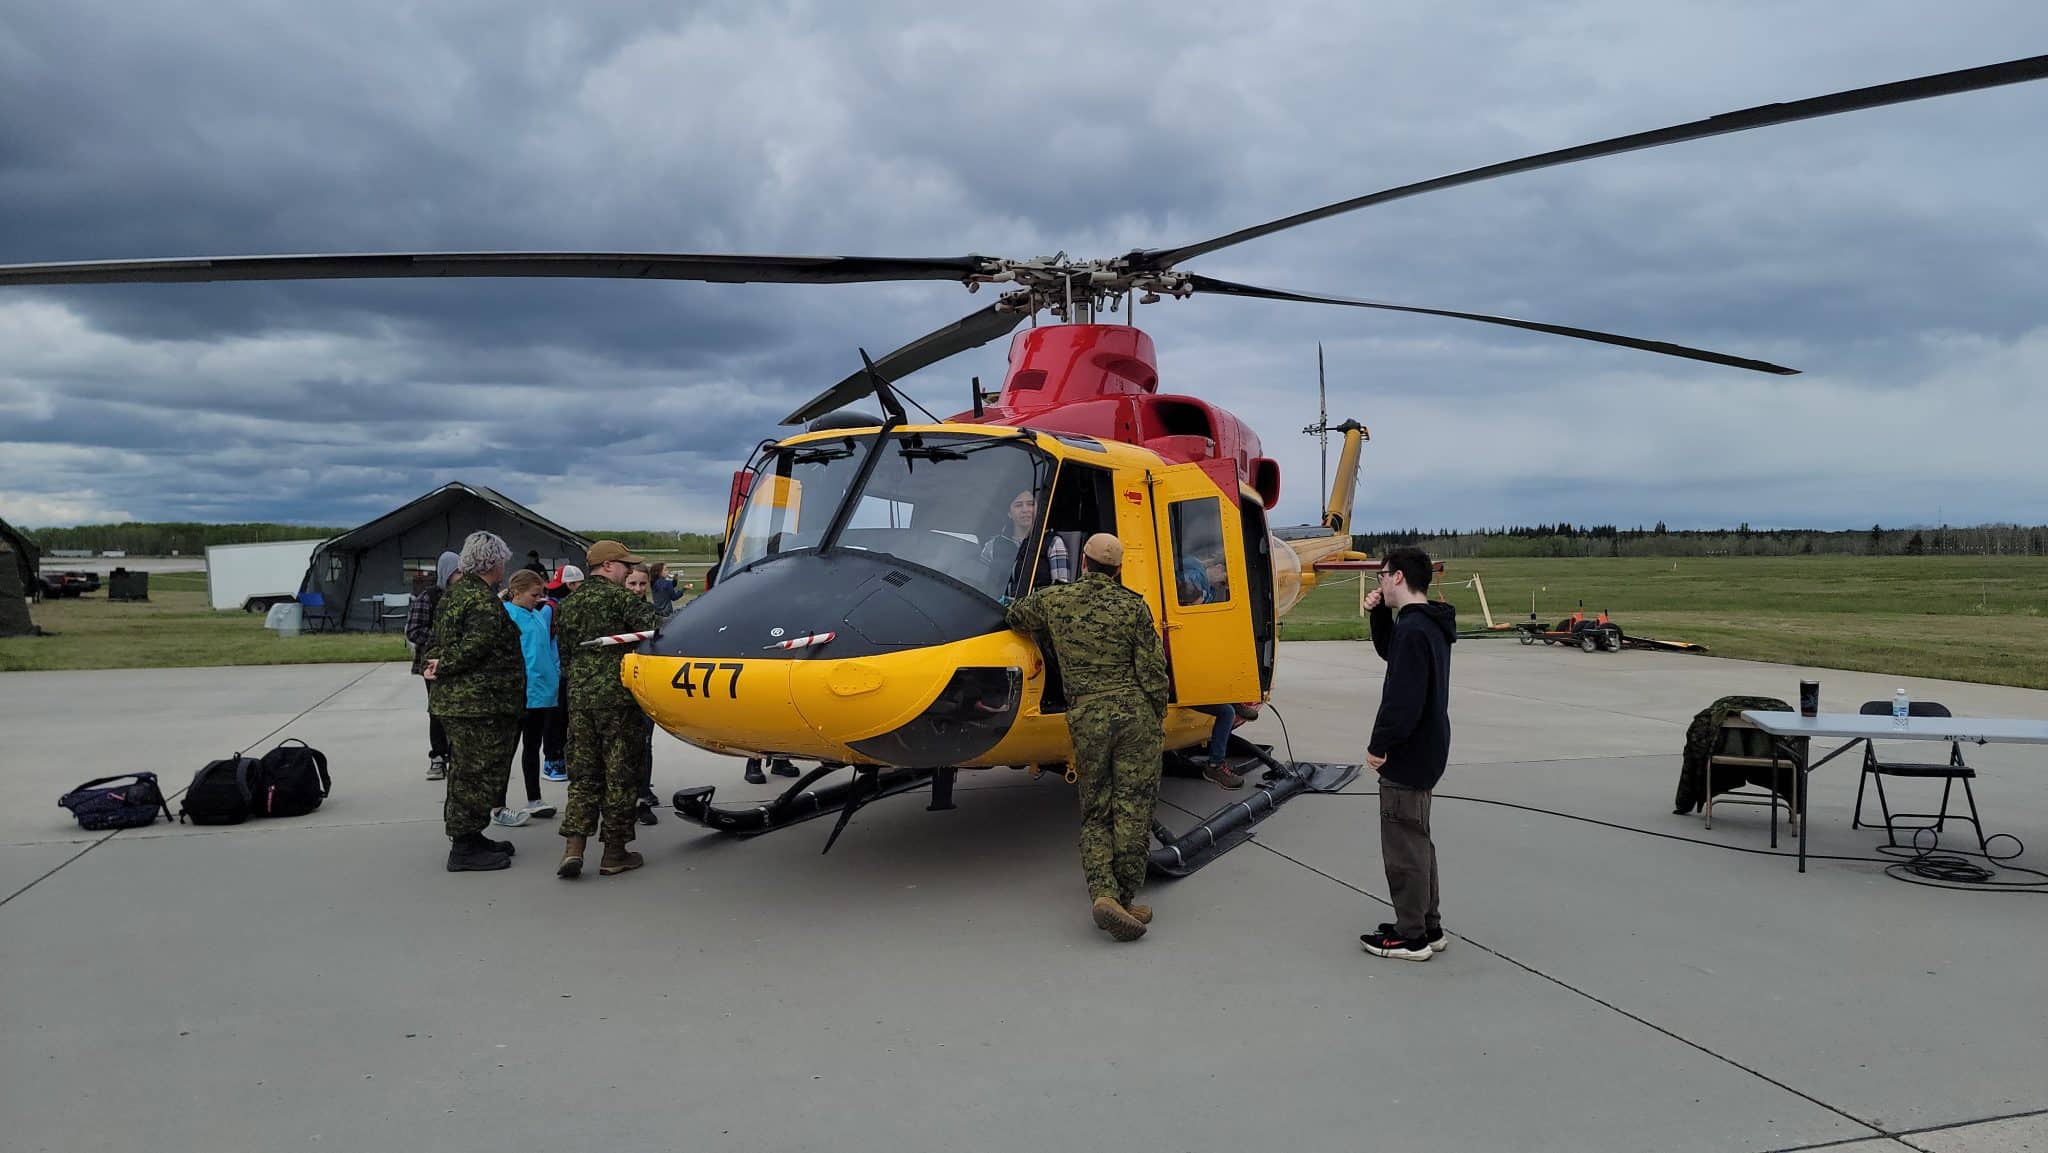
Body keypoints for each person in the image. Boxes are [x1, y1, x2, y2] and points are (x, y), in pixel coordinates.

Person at [1005, 532, 1169, 943]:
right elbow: (1153, 671)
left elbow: (1015, 616)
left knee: (1097, 810)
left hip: (1088, 717)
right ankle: (1123, 896)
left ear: (1083, 564)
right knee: (1134, 808)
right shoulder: (1133, 606)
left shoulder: (1055, 601)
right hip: (1134, 715)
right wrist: (1156, 716)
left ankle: (1106, 895)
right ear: (1118, 570)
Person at [1357, 547, 1457, 962]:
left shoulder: (1415, 630)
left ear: (1397, 576)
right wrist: (1379, 613)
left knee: (1403, 847)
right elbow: (1391, 653)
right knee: (1417, 840)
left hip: (1410, 750)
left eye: (1382, 575)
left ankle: (1411, 936)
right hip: (1428, 746)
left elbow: (1402, 699)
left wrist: (1379, 744)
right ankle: (1429, 925)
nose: (1379, 581)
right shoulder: (1423, 623)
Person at [554, 540, 660, 878]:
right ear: (609, 565)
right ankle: (614, 852)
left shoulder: (568, 604)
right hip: (618, 699)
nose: (629, 571)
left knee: (583, 775)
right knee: (620, 776)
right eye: (625, 565)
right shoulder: (620, 599)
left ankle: (573, 848)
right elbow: (658, 628)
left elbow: (565, 655)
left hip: (580, 700)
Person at [425, 531, 527, 872]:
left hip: (464, 703)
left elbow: (436, 639)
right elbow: (475, 647)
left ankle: (471, 835)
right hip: (479, 705)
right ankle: (464, 846)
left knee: (467, 771)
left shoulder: (455, 594)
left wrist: (434, 662)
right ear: (493, 562)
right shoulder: (481, 600)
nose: (504, 566)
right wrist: (443, 664)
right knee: (476, 773)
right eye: (503, 561)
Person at [495, 569, 560, 826]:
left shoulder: (537, 615)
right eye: (534, 595)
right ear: (516, 592)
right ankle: (498, 806)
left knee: (533, 747)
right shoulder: (507, 615)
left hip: (541, 693)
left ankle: (534, 798)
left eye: (541, 594)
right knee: (507, 751)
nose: (539, 599)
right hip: (520, 692)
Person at [408, 551, 460, 780]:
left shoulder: (464, 596)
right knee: (437, 711)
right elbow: (414, 631)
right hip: (433, 665)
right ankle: (438, 756)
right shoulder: (428, 598)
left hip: (458, 662)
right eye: (457, 572)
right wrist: (441, 639)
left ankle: (458, 755)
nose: (461, 576)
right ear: (446, 573)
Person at [538, 564, 585, 782]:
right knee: (554, 720)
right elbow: (541, 641)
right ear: (571, 585)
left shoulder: (572, 606)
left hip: (569, 672)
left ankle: (564, 759)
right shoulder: (550, 608)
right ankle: (552, 761)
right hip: (555, 674)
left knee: (567, 719)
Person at [623, 564, 661, 824]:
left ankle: (643, 792)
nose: (637, 589)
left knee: (644, 743)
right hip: (620, 687)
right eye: (632, 584)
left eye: (642, 584)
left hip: (644, 688)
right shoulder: (615, 611)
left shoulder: (649, 612)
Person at [980, 488, 1067, 594]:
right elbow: (981, 586)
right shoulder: (993, 545)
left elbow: (1060, 591)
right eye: (1018, 505)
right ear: (1009, 513)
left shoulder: (1053, 542)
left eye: (1030, 504)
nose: (1025, 510)